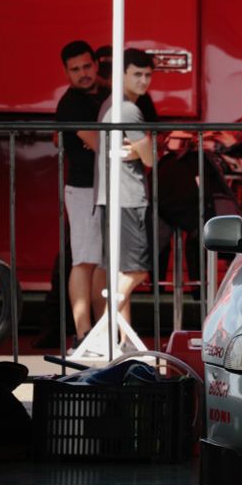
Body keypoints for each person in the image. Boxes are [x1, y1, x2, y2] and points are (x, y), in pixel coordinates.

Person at [94, 48, 156, 339]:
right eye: (137, 74)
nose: (144, 81)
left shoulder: (110, 104)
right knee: (136, 271)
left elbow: (141, 152)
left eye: (147, 75)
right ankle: (105, 326)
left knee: (120, 270)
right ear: (122, 74)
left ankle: (119, 341)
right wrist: (141, 149)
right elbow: (150, 158)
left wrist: (138, 150)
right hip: (128, 196)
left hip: (111, 196)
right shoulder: (129, 109)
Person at [55, 40, 108, 344]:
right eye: (75, 69)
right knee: (84, 260)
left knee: (100, 262)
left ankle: (100, 330)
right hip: (83, 189)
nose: (83, 74)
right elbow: (102, 144)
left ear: (95, 64)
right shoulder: (70, 103)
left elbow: (100, 143)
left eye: (86, 66)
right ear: (67, 72)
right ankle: (83, 332)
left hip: (100, 188)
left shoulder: (104, 94)